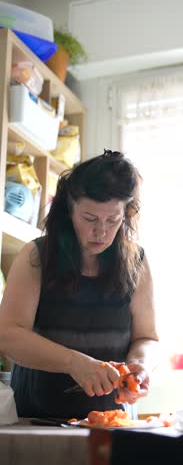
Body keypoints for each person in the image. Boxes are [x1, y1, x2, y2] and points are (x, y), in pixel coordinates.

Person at [0, 149, 159, 419]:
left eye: (113, 220)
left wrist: (139, 366)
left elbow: (146, 338)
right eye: (89, 219)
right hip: (38, 417)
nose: (101, 232)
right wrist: (73, 363)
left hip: (113, 418)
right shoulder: (37, 255)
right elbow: (8, 335)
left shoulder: (136, 260)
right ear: (69, 210)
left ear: (127, 214)